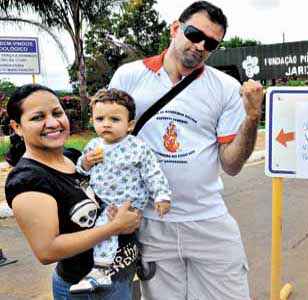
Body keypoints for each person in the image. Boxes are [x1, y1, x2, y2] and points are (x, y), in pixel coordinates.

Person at [108, 1, 264, 299]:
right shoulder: (129, 77)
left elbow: (231, 164)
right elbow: (112, 139)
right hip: (152, 222)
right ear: (175, 28)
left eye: (211, 43)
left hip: (208, 218)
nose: (200, 45)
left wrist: (252, 118)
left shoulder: (225, 87)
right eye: (194, 34)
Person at [4, 84, 142, 299]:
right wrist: (115, 227)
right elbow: (47, 251)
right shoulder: (28, 180)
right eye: (38, 117)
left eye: (57, 113)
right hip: (88, 290)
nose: (52, 123)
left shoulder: (73, 157)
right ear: (17, 127)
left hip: (120, 276)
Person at [69, 88, 173, 293]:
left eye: (114, 119)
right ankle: (133, 259)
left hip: (126, 203)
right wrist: (86, 163)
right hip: (101, 200)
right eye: (100, 118)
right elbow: (80, 170)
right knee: (97, 227)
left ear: (130, 125)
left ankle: (101, 270)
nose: (106, 124)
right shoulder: (93, 145)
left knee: (106, 227)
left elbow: (153, 173)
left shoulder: (137, 147)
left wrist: (162, 196)